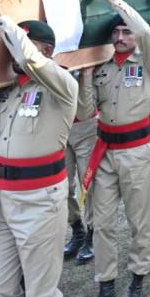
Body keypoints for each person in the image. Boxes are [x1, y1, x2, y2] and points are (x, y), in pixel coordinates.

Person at [0, 0, 77, 297]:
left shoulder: (63, 84)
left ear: (46, 49)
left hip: (40, 201)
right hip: (3, 200)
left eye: (22, 46)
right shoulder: (10, 90)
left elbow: (31, 61)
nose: (13, 55)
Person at [75, 0, 150, 297]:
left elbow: (142, 30)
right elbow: (85, 109)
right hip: (105, 151)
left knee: (140, 221)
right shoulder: (102, 67)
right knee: (102, 222)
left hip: (136, 151)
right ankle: (106, 291)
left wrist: (112, 0)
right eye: (116, 31)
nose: (122, 36)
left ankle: (137, 282)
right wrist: (84, 72)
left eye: (126, 31)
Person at [62, 72, 98, 265]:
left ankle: (92, 233)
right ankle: (77, 229)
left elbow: (86, 108)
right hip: (59, 124)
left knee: (89, 183)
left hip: (86, 124)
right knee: (62, 186)